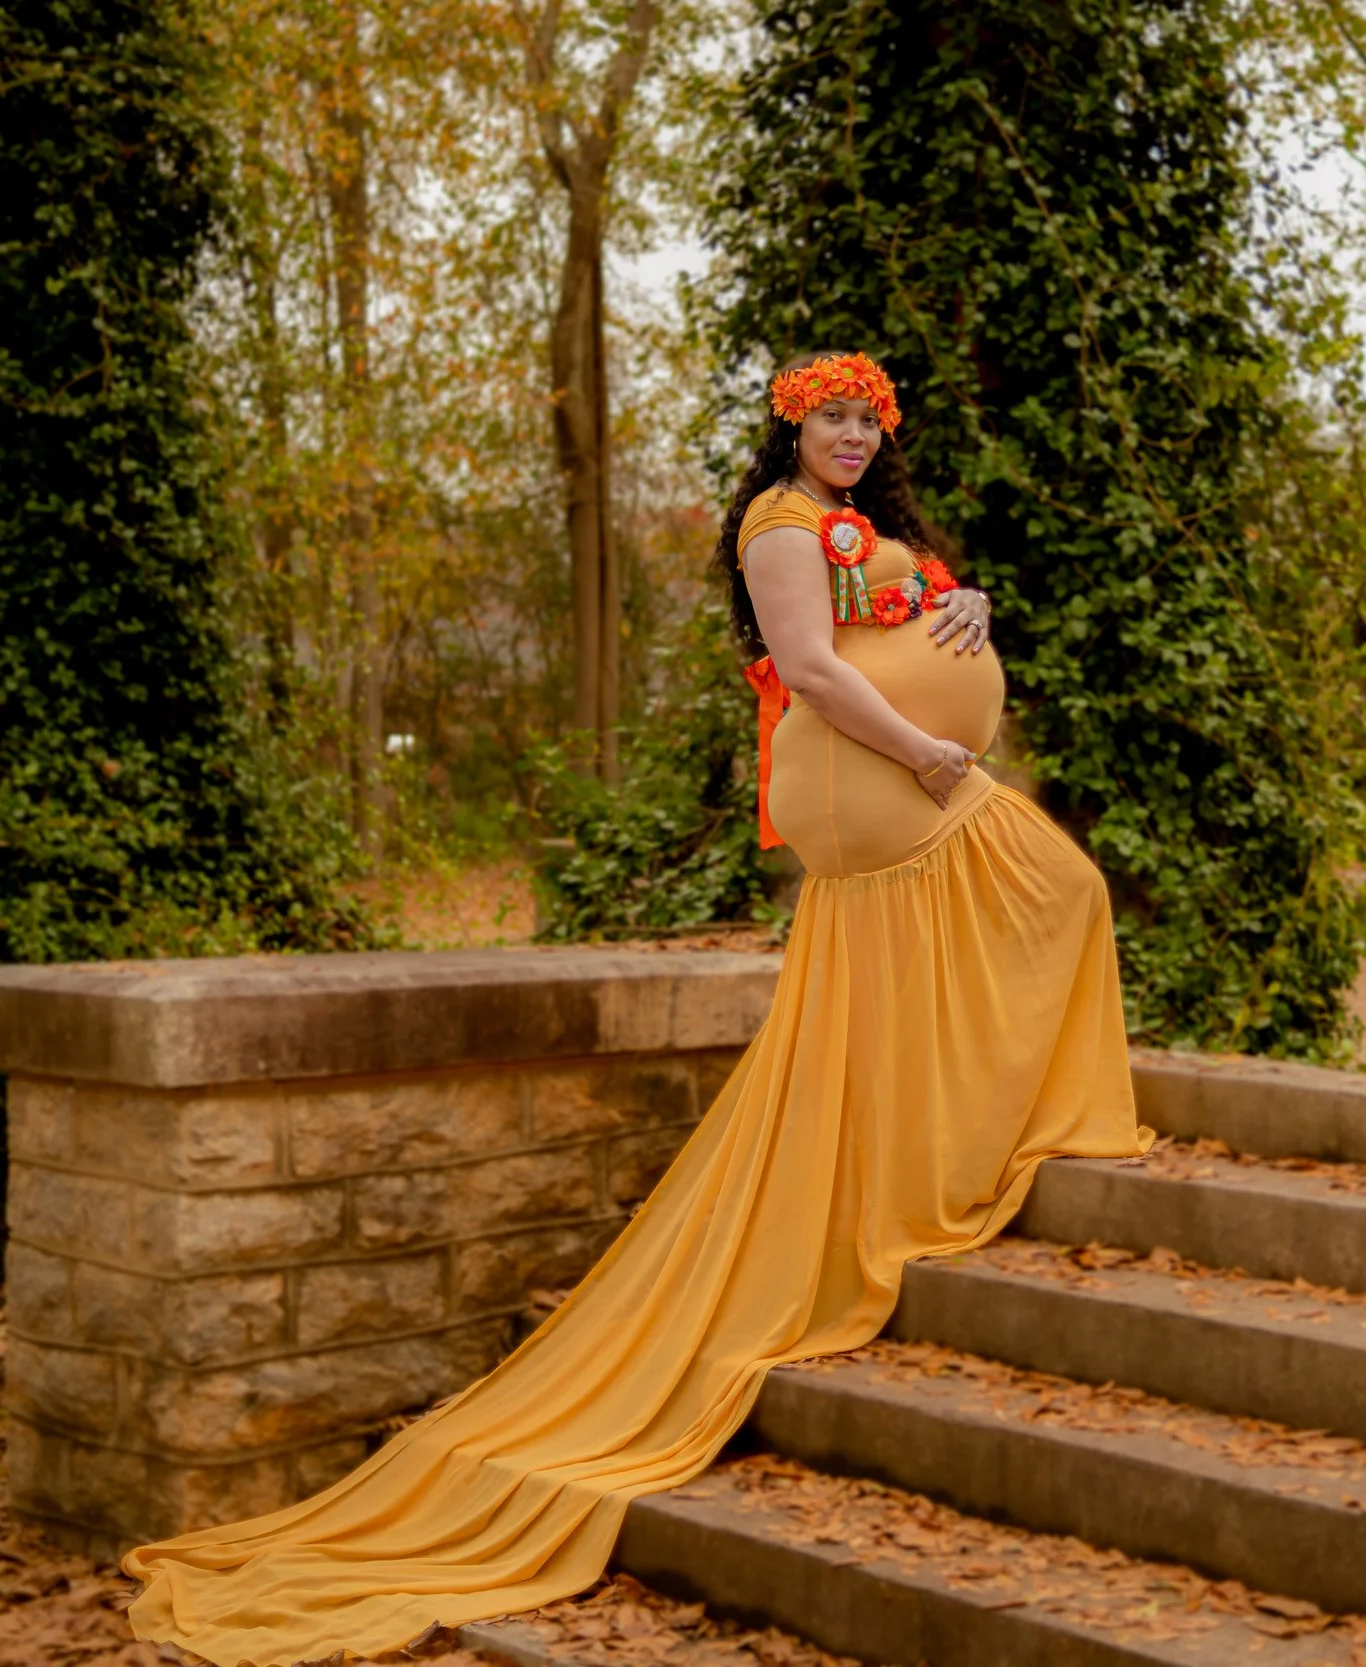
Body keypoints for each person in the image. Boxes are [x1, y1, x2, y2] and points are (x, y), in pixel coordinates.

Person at [121, 350, 1152, 1665]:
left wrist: (972, 610)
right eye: (828, 414)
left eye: (866, 418)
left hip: (909, 768)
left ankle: (943, 1147)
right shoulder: (777, 527)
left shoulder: (874, 529)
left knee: (1043, 898)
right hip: (874, 773)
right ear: (792, 426)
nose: (848, 433)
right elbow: (816, 667)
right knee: (1057, 884)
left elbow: (904, 611)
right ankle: (954, 1153)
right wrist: (931, 746)